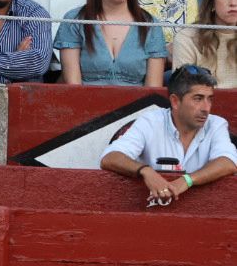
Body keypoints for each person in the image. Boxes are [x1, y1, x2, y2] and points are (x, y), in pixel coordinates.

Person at [101, 64, 236, 200]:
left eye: (210, 99)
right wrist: (145, 170)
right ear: (175, 101)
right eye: (198, 99)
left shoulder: (216, 124)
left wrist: (187, 180)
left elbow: (228, 162)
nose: (206, 108)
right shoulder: (150, 121)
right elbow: (110, 157)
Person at [52, 0, 166, 87]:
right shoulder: (74, 20)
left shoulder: (150, 25)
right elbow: (73, 87)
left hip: (139, 108)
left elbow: (152, 92)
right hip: (86, 105)